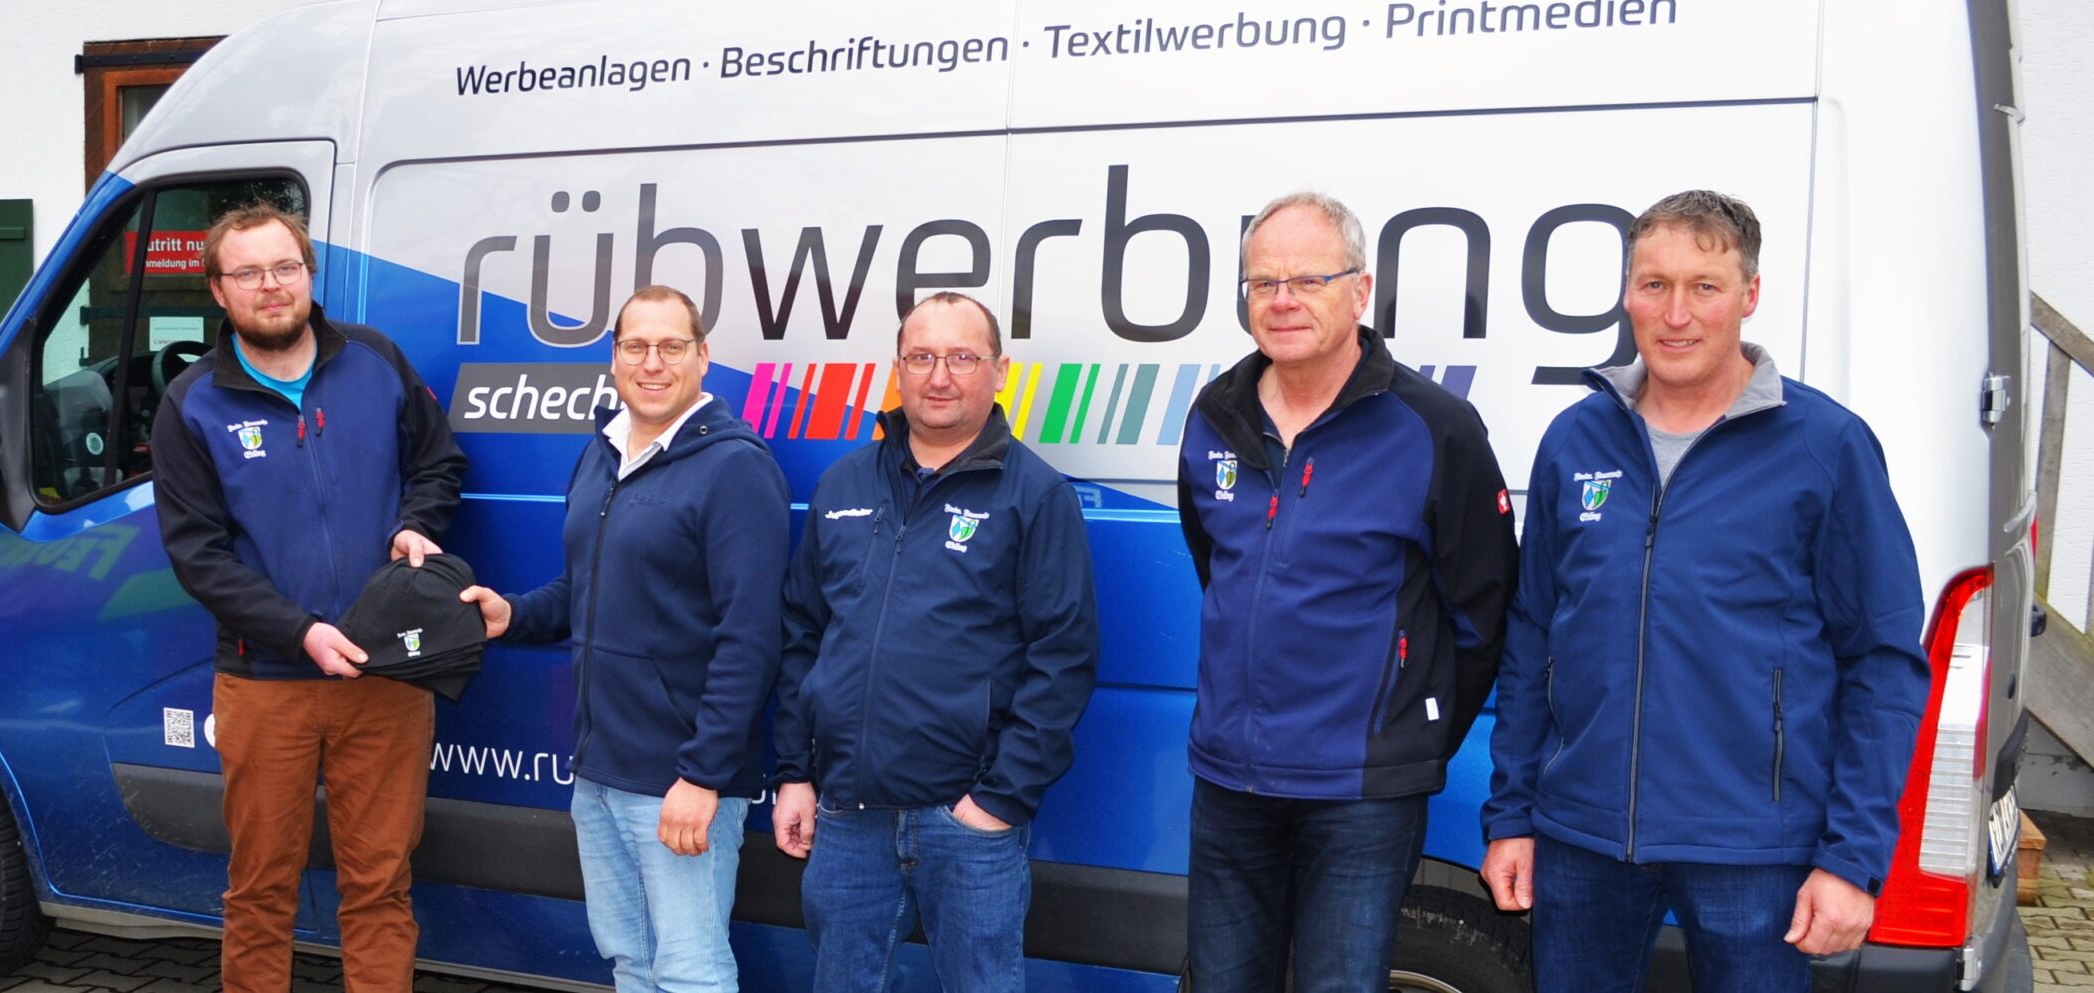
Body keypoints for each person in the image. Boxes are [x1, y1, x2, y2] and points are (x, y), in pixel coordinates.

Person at [1478, 190, 1929, 992]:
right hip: (1582, 836)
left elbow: (1883, 661)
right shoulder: (1576, 439)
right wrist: (1513, 813)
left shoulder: (1826, 447)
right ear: (1627, 294)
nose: (1676, 313)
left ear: (1749, 295)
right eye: (1654, 284)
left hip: (1755, 849)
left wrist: (1851, 858)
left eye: (1704, 286)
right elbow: (1533, 632)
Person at [1174, 192, 1518, 992]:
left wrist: (1405, 733)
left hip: (1361, 795)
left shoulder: (1433, 425)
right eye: (1264, 283)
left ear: (1360, 291)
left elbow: (1484, 612)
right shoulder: (1215, 414)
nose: (1282, 300)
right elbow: (1221, 564)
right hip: (1229, 784)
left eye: (1308, 279)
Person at [152, 202, 468, 993]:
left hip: (385, 674)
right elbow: (198, 554)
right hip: (267, 682)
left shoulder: (375, 360)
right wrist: (301, 632)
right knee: (260, 890)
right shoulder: (191, 403)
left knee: (381, 885)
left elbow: (439, 463)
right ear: (218, 290)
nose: (271, 285)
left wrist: (416, 524)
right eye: (248, 272)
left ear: (308, 274)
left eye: (285, 267)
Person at [767, 291, 1100, 993]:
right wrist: (795, 771)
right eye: (921, 357)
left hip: (967, 823)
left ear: (999, 371)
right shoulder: (844, 483)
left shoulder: (1034, 495)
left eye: (961, 358)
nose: (939, 376)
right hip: (847, 816)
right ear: (898, 368)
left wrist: (1000, 799)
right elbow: (803, 635)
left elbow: (1063, 655)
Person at [463, 286, 789, 993]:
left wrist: (703, 775)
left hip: (678, 778)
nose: (652, 362)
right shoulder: (602, 453)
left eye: (672, 346)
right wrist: (511, 615)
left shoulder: (735, 467)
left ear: (702, 357)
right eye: (636, 346)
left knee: (690, 970)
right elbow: (586, 587)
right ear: (614, 357)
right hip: (600, 773)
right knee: (632, 963)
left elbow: (751, 637)